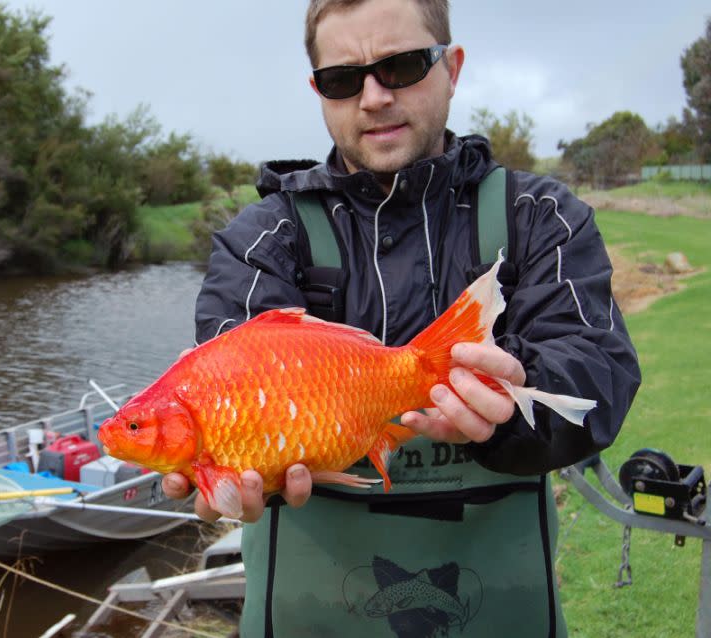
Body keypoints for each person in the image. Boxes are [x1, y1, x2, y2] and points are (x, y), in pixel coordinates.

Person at [163, 0, 641, 636]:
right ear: (319, 91)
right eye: (342, 79)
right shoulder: (262, 238)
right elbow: (232, 384)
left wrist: (509, 397)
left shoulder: (540, 216)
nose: (373, 98)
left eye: (403, 66)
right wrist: (236, 471)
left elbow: (599, 375)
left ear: (452, 67)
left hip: (500, 604)